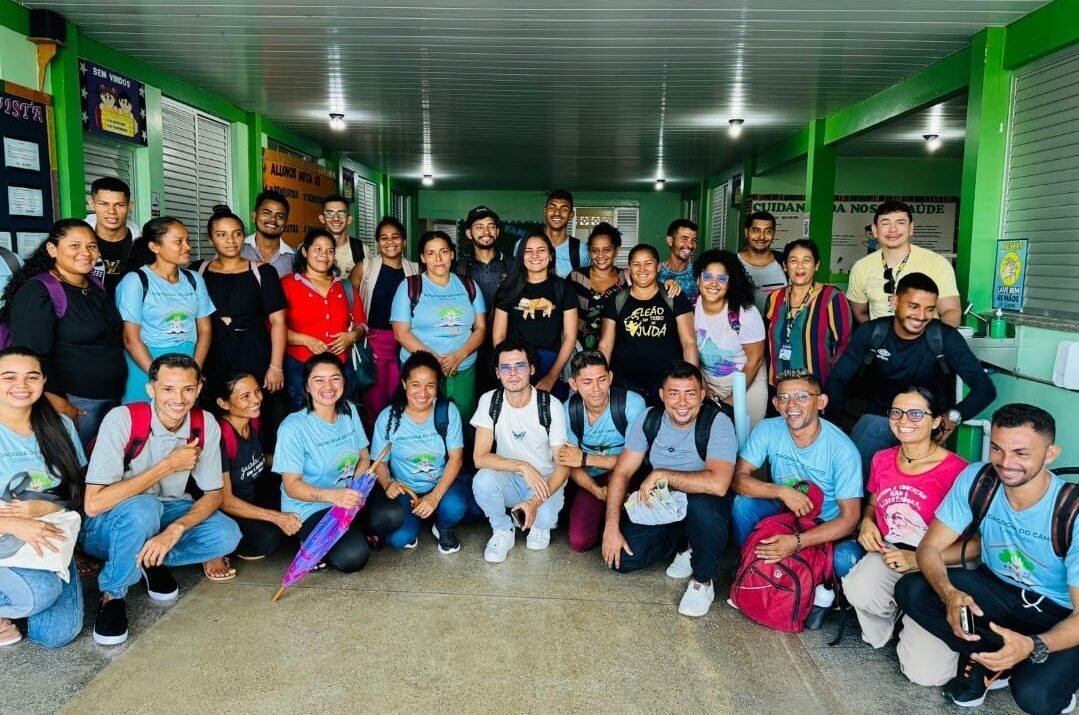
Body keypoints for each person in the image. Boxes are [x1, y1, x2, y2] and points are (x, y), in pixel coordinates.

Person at [896, 404, 1079, 714]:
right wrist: (949, 594)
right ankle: (989, 657)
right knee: (912, 589)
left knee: (1035, 697)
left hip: (1059, 613)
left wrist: (1034, 645)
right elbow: (929, 549)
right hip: (996, 589)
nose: (1005, 463)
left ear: (1050, 454)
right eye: (997, 448)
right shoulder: (979, 479)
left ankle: (1033, 664)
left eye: (1021, 453)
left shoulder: (1071, 511)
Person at [81, 354, 241, 646]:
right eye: (168, 389)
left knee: (226, 534)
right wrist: (167, 466)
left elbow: (213, 494)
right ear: (151, 389)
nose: (178, 399)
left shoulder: (204, 423)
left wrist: (175, 530)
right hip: (110, 522)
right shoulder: (122, 420)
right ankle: (113, 595)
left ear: (199, 389)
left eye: (188, 389)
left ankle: (148, 558)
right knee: (144, 508)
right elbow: (94, 504)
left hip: (168, 511)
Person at [842, 387, 968, 684]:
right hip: (891, 554)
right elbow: (872, 504)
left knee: (927, 675)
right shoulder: (883, 459)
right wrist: (867, 522)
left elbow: (976, 546)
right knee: (860, 588)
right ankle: (899, 613)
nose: (903, 420)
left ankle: (915, 616)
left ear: (936, 421)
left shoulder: (959, 472)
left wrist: (918, 560)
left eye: (915, 413)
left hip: (940, 564)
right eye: (896, 412)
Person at [825, 272, 996, 479]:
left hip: (924, 424)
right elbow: (837, 379)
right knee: (850, 476)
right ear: (895, 301)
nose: (921, 316)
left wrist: (952, 417)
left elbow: (985, 388)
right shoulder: (872, 332)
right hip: (879, 419)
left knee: (920, 487)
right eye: (914, 306)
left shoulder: (944, 337)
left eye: (929, 309)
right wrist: (834, 428)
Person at [601, 361, 738, 617]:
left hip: (702, 502)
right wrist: (611, 527)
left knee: (704, 510)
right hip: (663, 503)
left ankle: (702, 580)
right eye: (674, 393)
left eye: (690, 393)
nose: (682, 402)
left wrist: (661, 474)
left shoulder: (717, 422)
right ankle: (685, 544)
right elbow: (622, 472)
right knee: (621, 559)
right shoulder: (650, 418)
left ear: (702, 394)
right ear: (663, 395)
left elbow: (718, 484)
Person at [731, 369, 864, 622]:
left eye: (802, 396)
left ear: (821, 402)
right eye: (783, 397)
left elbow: (850, 519)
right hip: (782, 514)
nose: (791, 405)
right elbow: (738, 479)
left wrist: (797, 541)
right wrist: (781, 491)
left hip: (824, 524)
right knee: (743, 504)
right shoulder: (768, 429)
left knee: (847, 559)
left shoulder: (842, 450)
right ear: (775, 403)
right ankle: (751, 566)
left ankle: (820, 589)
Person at [275, 353, 404, 574]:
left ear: (344, 382)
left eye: (335, 378)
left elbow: (364, 456)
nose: (328, 386)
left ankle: (348, 530)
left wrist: (357, 488)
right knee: (352, 557)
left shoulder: (349, 410)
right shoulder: (292, 427)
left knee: (392, 515)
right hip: (311, 507)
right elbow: (292, 486)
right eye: (319, 380)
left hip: (348, 496)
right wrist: (334, 496)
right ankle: (311, 539)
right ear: (306, 386)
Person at [4, 219, 125, 447]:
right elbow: (30, 356)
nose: (85, 253)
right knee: (76, 465)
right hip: (75, 404)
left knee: (105, 464)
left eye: (91, 246)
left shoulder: (94, 285)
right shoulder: (38, 291)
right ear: (52, 249)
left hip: (111, 396)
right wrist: (59, 404)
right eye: (75, 246)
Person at [0, 347, 85, 649]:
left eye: (32, 377)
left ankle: (15, 599)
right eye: (9, 377)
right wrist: (13, 525)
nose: (21, 385)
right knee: (39, 594)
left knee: (58, 635)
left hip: (47, 532)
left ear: (43, 381)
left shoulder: (59, 426)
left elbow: (77, 490)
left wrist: (46, 506)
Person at [471, 339, 569, 563]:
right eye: (505, 367)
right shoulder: (490, 401)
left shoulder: (550, 404)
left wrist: (534, 502)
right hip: (511, 479)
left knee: (540, 530)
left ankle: (540, 524)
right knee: (483, 479)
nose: (513, 373)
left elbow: (563, 465)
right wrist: (522, 466)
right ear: (497, 373)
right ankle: (502, 529)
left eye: (520, 366)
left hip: (545, 483)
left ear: (532, 369)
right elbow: (479, 457)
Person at [371, 351, 469, 554]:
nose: (423, 393)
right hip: (406, 490)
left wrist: (434, 497)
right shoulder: (388, 417)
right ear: (404, 384)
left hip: (441, 486)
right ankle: (415, 518)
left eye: (430, 385)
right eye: (415, 384)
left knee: (456, 506)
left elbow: (456, 458)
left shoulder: (446, 411)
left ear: (437, 386)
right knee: (399, 539)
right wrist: (387, 483)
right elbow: (380, 462)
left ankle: (442, 526)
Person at [115, 217, 215, 405]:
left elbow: (205, 330)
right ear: (155, 247)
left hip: (187, 363)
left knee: (182, 417)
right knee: (143, 419)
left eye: (187, 240)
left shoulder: (194, 280)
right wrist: (159, 378)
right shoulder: (135, 281)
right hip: (146, 367)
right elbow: (130, 339)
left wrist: (194, 371)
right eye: (179, 242)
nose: (187, 247)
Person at [191, 206, 286, 402]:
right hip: (212, 355)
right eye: (221, 235)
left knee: (255, 408)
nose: (231, 241)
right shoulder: (197, 271)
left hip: (254, 354)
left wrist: (276, 366)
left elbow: (278, 321)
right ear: (211, 239)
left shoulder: (264, 272)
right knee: (214, 409)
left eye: (237, 234)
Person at [391, 230, 486, 422]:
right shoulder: (409, 286)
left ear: (452, 254)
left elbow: (481, 328)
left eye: (443, 251)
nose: (438, 259)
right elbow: (401, 333)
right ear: (422, 258)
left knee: (461, 419)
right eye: (431, 253)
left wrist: (459, 356)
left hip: (462, 368)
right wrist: (433, 359)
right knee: (422, 418)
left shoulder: (469, 285)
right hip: (421, 370)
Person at [558, 350, 646, 553]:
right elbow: (570, 462)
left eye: (601, 380)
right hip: (593, 480)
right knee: (579, 541)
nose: (596, 389)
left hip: (630, 475)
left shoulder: (631, 404)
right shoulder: (568, 411)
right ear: (574, 384)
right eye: (587, 382)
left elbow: (633, 461)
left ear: (610, 378)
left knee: (634, 542)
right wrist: (595, 490)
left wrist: (584, 458)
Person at [214, 373, 300, 561]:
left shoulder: (252, 421)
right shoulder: (220, 438)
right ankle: (217, 550)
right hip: (232, 510)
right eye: (245, 396)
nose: (256, 399)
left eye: (257, 391)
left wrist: (302, 461)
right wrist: (277, 517)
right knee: (269, 538)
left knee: (298, 508)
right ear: (223, 403)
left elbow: (261, 459)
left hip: (255, 497)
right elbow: (225, 501)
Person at [598, 244, 696, 404]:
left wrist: (692, 382)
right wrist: (600, 379)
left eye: (648, 263)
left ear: (658, 267)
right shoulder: (616, 300)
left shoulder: (674, 297)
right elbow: (605, 345)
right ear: (629, 269)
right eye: (636, 264)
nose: (642, 269)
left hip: (668, 383)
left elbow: (689, 342)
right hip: (625, 384)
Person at [281, 228, 366, 411]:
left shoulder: (344, 286)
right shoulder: (287, 284)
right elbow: (273, 328)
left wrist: (352, 336)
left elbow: (361, 324)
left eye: (329, 250)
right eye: (317, 249)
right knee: (304, 417)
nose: (324, 255)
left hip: (340, 367)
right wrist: (306, 340)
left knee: (343, 414)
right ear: (305, 252)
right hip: (300, 366)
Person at [846, 200, 961, 327]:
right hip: (880, 339)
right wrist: (880, 334)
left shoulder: (936, 263)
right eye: (885, 223)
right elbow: (860, 313)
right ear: (875, 230)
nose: (893, 229)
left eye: (900, 223)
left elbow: (951, 311)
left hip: (925, 338)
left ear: (911, 228)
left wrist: (935, 337)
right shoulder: (861, 267)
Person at [492, 233, 578, 401]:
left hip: (552, 363)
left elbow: (570, 337)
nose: (535, 255)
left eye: (541, 250)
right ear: (521, 256)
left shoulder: (563, 288)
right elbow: (498, 336)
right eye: (528, 251)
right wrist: (508, 368)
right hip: (515, 363)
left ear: (551, 255)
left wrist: (551, 377)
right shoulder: (508, 288)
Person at [356, 217, 420, 429]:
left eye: (395, 237)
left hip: (408, 340)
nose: (390, 242)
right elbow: (351, 303)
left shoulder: (415, 270)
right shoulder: (365, 268)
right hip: (375, 340)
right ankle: (377, 440)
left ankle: (398, 435)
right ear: (377, 242)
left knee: (402, 391)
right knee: (375, 397)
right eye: (384, 238)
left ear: (404, 241)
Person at [693, 249, 767, 427]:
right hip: (709, 384)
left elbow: (755, 360)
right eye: (707, 276)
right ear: (698, 279)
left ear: (730, 283)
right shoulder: (691, 309)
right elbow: (690, 352)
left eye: (722, 278)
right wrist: (704, 388)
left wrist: (734, 398)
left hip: (748, 382)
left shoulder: (745, 312)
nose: (714, 283)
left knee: (745, 436)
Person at [763, 239, 852, 388]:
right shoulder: (774, 298)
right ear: (785, 266)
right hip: (779, 387)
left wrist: (833, 384)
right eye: (793, 261)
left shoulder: (832, 296)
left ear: (816, 265)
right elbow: (766, 344)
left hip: (818, 389)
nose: (800, 266)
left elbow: (844, 345)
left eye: (806, 260)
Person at [455, 205, 510, 396]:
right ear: (469, 233)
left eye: (491, 226)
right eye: (479, 227)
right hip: (470, 348)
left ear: (498, 231)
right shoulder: (459, 269)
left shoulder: (512, 265)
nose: (486, 232)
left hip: (506, 346)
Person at [567, 222, 628, 352]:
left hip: (617, 351)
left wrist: (669, 282)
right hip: (579, 350)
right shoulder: (576, 277)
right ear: (589, 251)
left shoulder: (626, 281)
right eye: (595, 250)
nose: (600, 255)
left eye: (607, 250)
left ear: (616, 251)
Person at [514, 189, 590, 278]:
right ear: (545, 212)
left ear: (571, 215)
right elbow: (516, 277)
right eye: (552, 208)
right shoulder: (523, 244)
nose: (557, 213)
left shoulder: (582, 251)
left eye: (564, 209)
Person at [86, 177, 140, 295]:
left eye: (119, 205)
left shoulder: (142, 244)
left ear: (129, 206)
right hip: (88, 306)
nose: (111, 211)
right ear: (92, 204)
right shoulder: (76, 242)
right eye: (104, 204)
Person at [737, 211, 787, 315]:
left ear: (774, 234)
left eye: (768, 231)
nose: (761, 237)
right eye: (756, 231)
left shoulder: (786, 262)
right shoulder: (732, 264)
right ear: (747, 232)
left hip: (777, 325)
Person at [242, 190, 295, 278]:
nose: (273, 219)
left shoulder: (294, 258)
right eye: (266, 213)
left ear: (286, 224)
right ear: (254, 216)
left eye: (280, 216)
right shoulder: (237, 249)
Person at [318, 194, 364, 289]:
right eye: (329, 213)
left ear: (349, 219)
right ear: (322, 218)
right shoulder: (309, 249)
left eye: (341, 213)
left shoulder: (361, 249)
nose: (336, 218)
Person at [657, 219, 700, 305]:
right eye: (685, 239)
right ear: (670, 241)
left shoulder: (698, 273)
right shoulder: (656, 271)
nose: (690, 245)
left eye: (694, 240)